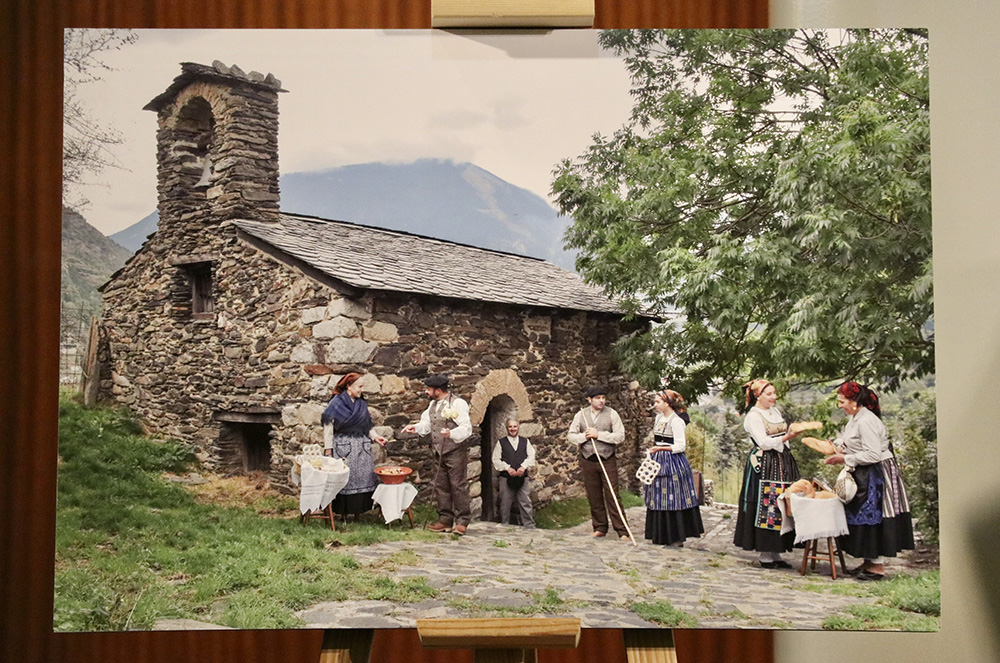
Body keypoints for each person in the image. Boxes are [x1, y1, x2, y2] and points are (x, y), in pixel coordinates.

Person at [825, 381, 915, 581]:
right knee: (862, 515)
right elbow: (856, 443)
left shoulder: (866, 421)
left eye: (842, 401)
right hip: (865, 470)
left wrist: (844, 458)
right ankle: (868, 561)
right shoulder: (856, 418)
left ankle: (877, 566)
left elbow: (873, 454)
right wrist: (840, 447)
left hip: (876, 473)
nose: (840, 405)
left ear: (854, 401)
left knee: (874, 515)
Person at [733, 379, 803, 568]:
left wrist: (788, 442)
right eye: (769, 394)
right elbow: (763, 442)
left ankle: (777, 551)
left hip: (782, 461)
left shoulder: (774, 411)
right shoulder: (753, 416)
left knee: (782, 503)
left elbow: (781, 438)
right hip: (766, 464)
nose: (774, 397)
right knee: (768, 504)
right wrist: (787, 436)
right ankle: (766, 553)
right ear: (758, 395)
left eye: (774, 393)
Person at [402, 374, 473, 535]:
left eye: (428, 389)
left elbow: (466, 428)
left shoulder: (457, 403)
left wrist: (451, 433)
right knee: (440, 485)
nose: (426, 392)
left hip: (454, 451)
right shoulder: (432, 405)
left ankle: (462, 521)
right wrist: (416, 428)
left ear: (438, 390)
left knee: (458, 485)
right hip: (437, 451)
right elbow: (427, 424)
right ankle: (445, 520)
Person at [568, 385, 632, 541]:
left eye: (603, 398)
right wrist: (584, 436)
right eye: (598, 398)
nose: (601, 401)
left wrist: (599, 435)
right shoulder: (581, 415)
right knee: (594, 495)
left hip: (607, 459)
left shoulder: (612, 414)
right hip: (588, 459)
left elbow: (620, 436)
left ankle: (622, 530)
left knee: (612, 495)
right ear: (589, 400)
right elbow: (571, 435)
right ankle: (600, 527)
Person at [643, 389, 704, 546]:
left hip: (673, 462)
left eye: (658, 402)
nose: (655, 405)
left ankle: (676, 537)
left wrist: (660, 449)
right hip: (658, 462)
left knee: (674, 498)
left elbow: (680, 446)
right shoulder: (659, 419)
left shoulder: (677, 421)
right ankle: (661, 535)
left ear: (667, 403)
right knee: (658, 497)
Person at [321, 372, 387, 517]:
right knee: (346, 479)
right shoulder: (336, 403)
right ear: (349, 386)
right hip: (343, 447)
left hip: (361, 447)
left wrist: (376, 437)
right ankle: (343, 513)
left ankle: (359, 511)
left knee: (364, 477)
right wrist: (328, 450)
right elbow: (328, 428)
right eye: (359, 386)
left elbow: (367, 426)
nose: (361, 390)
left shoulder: (361, 404)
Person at [492, 418, 536, 528]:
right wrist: (508, 468)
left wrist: (523, 467)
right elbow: (496, 459)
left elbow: (531, 456)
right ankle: (505, 524)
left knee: (525, 502)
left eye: (515, 426)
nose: (512, 429)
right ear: (507, 428)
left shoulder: (525, 441)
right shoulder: (501, 442)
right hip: (506, 478)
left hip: (522, 477)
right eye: (510, 427)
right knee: (505, 503)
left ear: (518, 427)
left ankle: (529, 525)